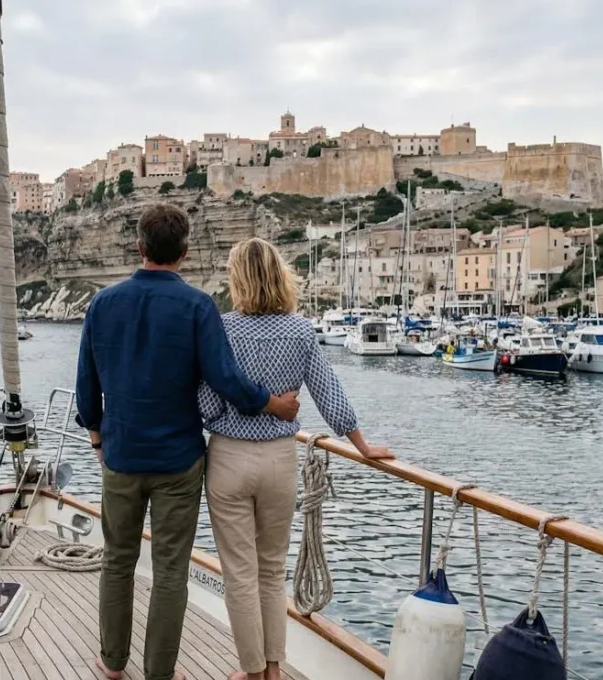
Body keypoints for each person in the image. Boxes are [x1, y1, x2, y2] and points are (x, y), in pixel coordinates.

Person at [75, 204, 302, 680]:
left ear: (139, 247)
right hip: (179, 460)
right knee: (171, 569)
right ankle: (161, 673)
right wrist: (272, 405)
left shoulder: (102, 303)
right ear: (185, 252)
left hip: (120, 456)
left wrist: (98, 437)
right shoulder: (198, 306)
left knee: (117, 560)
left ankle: (112, 663)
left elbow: (86, 383)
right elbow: (225, 380)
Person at [200, 238, 394, 680]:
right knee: (271, 571)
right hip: (280, 461)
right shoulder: (301, 331)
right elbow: (331, 397)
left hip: (229, 459)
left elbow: (207, 405)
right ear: (280, 274)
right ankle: (274, 670)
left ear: (238, 279)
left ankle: (250, 673)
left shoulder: (222, 330)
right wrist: (362, 445)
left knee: (240, 574)